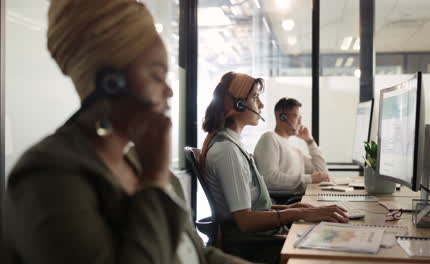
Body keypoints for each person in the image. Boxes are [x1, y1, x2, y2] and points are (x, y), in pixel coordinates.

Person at [2, 1, 251, 263]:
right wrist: (153, 180)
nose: (169, 91)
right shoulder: (47, 178)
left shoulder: (139, 161)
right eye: (156, 76)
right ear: (110, 84)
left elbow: (196, 255)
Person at [200, 72, 348, 263]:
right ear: (238, 104)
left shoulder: (234, 144)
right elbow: (246, 221)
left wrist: (294, 207)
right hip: (258, 244)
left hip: (265, 236)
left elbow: (251, 205)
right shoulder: (227, 150)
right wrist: (297, 213)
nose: (261, 105)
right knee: (334, 250)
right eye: (255, 97)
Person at [254, 98, 330, 194]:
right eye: (297, 117)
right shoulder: (270, 138)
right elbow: (270, 179)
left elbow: (322, 173)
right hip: (284, 203)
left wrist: (310, 141)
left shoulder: (294, 150)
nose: (300, 123)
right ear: (282, 117)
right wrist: (309, 178)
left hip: (297, 200)